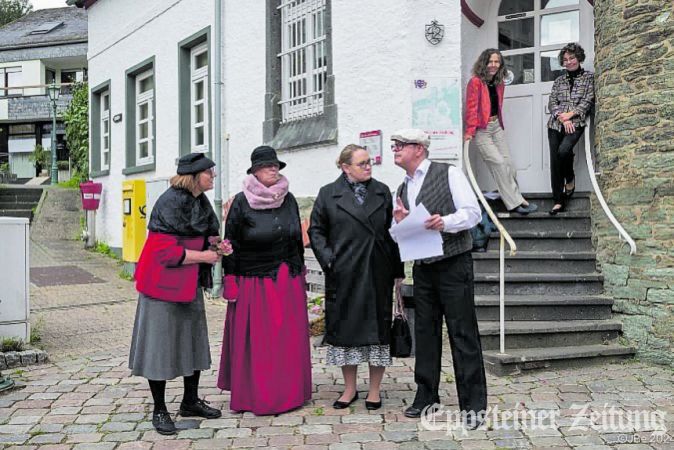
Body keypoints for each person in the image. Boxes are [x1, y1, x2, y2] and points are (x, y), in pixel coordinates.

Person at [389, 129, 487, 428]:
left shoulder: (449, 173)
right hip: (424, 267)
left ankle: (473, 405)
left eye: (400, 145)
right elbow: (411, 229)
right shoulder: (402, 187)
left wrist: (444, 222)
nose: (395, 149)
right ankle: (426, 394)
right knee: (427, 334)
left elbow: (473, 214)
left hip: (454, 263)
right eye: (394, 145)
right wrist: (404, 222)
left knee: (462, 333)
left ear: (418, 149)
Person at [130, 153, 223, 435]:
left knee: (192, 342)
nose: (213, 177)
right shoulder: (169, 203)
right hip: (162, 287)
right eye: (209, 172)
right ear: (194, 176)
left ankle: (190, 401)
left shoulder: (199, 200)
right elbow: (164, 252)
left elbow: (206, 230)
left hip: (188, 283)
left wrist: (217, 244)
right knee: (159, 348)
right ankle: (160, 409)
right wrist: (205, 256)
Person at [308, 144, 404, 411]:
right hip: (344, 273)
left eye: (369, 162)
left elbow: (391, 233)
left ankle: (374, 390)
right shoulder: (328, 193)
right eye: (362, 163)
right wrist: (329, 261)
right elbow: (316, 231)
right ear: (345, 167)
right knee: (346, 331)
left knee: (377, 332)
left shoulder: (382, 190)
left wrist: (397, 271)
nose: (368, 166)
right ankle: (349, 388)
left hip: (377, 272)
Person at [217, 145, 312, 415]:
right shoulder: (240, 202)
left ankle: (291, 392)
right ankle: (258, 394)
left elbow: (296, 238)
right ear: (255, 171)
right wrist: (230, 279)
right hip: (254, 281)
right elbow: (230, 243)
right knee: (262, 343)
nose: (274, 169)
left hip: (287, 277)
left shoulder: (289, 198)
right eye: (268, 165)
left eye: (276, 165)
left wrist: (300, 267)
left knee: (287, 340)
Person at [464, 48, 537, 215]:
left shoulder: (499, 82)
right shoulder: (475, 82)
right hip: (482, 130)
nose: (493, 65)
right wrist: (470, 131)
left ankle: (516, 198)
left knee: (509, 165)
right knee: (498, 163)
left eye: (497, 61)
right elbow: (472, 107)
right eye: (490, 61)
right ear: (484, 63)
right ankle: (516, 203)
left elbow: (497, 105)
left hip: (496, 126)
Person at [547, 42, 595, 215]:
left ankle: (570, 178)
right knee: (555, 160)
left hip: (576, 123)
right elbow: (552, 102)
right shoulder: (559, 80)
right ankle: (558, 200)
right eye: (565, 59)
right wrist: (562, 117)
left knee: (564, 151)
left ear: (579, 58)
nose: (568, 62)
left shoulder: (589, 78)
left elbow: (588, 101)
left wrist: (571, 115)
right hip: (555, 124)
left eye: (572, 58)